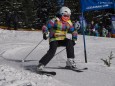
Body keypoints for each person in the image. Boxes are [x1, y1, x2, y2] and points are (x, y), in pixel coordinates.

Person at [37, 6, 78, 71]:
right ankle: (41, 64)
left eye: (68, 16)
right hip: (54, 39)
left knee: (69, 42)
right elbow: (45, 26)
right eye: (65, 16)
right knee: (52, 50)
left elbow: (74, 31)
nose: (66, 18)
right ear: (61, 14)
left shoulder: (69, 23)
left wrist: (74, 39)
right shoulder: (55, 20)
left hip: (62, 39)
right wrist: (45, 33)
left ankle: (70, 61)